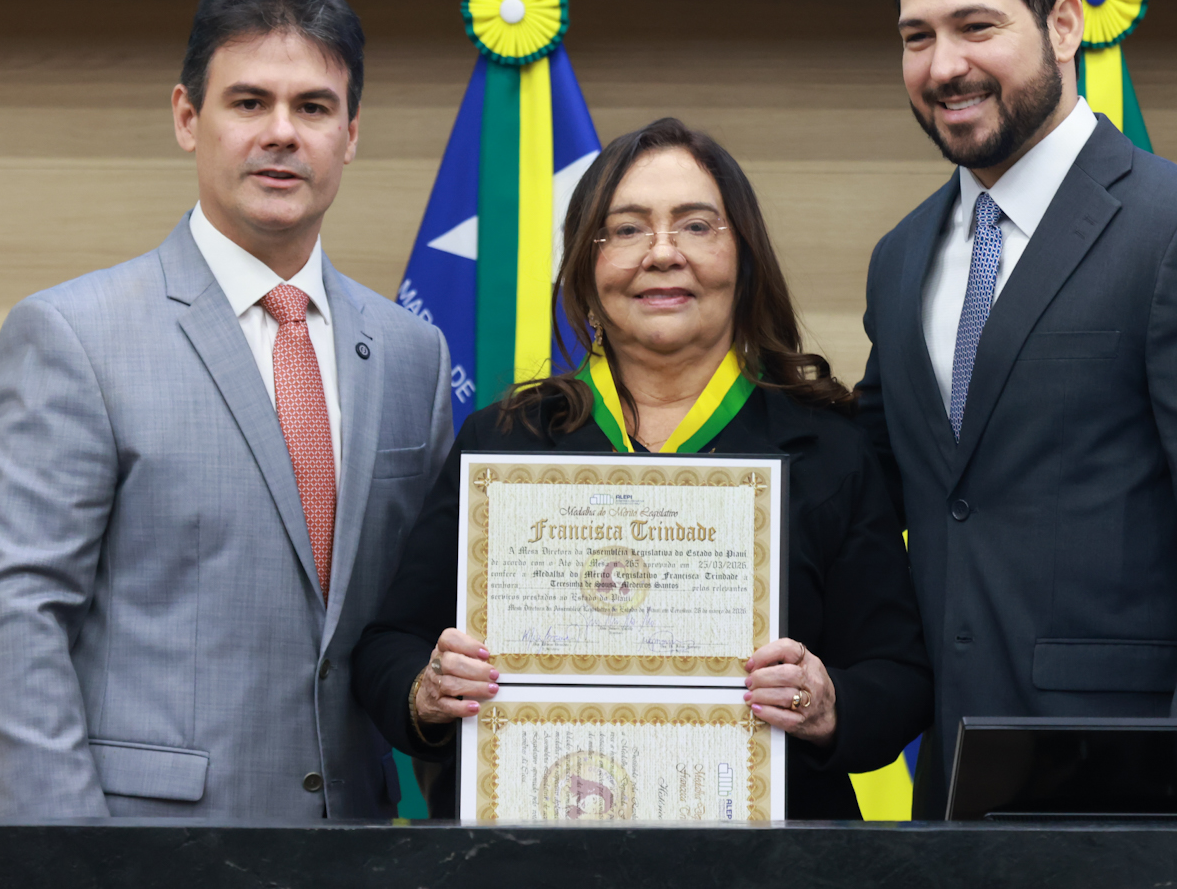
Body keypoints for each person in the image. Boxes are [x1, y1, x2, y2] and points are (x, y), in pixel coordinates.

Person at [857, 0, 1177, 815]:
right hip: (949, 791)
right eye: (916, 37)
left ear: (1064, 25)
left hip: (1134, 788)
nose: (944, 66)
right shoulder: (901, 257)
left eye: (976, 26)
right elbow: (866, 486)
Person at [0, 0, 453, 818]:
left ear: (350, 135)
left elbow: (417, 617)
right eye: (249, 102)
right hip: (145, 849)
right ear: (188, 118)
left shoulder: (413, 353)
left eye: (313, 108)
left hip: (357, 843)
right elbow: (18, 614)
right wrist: (66, 859)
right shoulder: (75, 334)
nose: (281, 134)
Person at [354, 118, 932, 819]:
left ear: (744, 258)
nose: (662, 253)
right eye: (626, 229)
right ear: (586, 268)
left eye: (696, 225)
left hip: (769, 859)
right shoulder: (507, 443)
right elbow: (388, 646)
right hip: (528, 856)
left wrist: (829, 702)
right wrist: (427, 689)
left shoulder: (829, 451)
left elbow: (900, 676)